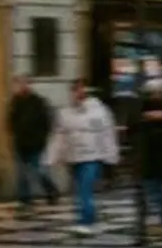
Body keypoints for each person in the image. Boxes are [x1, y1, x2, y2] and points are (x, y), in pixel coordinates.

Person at [51, 80, 119, 237]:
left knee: (84, 190)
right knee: (80, 190)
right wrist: (54, 155)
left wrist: (111, 154)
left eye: (78, 91)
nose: (75, 94)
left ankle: (85, 222)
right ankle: (90, 220)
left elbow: (107, 133)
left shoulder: (98, 111)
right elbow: (59, 135)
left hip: (92, 156)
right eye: (73, 91)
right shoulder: (65, 113)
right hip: (74, 157)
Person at [9, 76, 59, 212]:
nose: (22, 86)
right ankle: (24, 198)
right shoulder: (15, 102)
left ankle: (51, 190)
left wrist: (42, 139)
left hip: (36, 144)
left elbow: (46, 122)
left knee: (38, 171)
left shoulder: (38, 102)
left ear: (29, 85)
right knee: (22, 172)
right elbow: (11, 121)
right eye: (20, 84)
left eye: (24, 83)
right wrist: (14, 134)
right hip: (20, 143)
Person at [136, 80, 162, 234]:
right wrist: (146, 118)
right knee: (147, 189)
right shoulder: (141, 108)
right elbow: (133, 126)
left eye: (159, 92)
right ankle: (149, 218)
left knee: (160, 189)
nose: (156, 95)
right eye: (153, 92)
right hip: (145, 155)